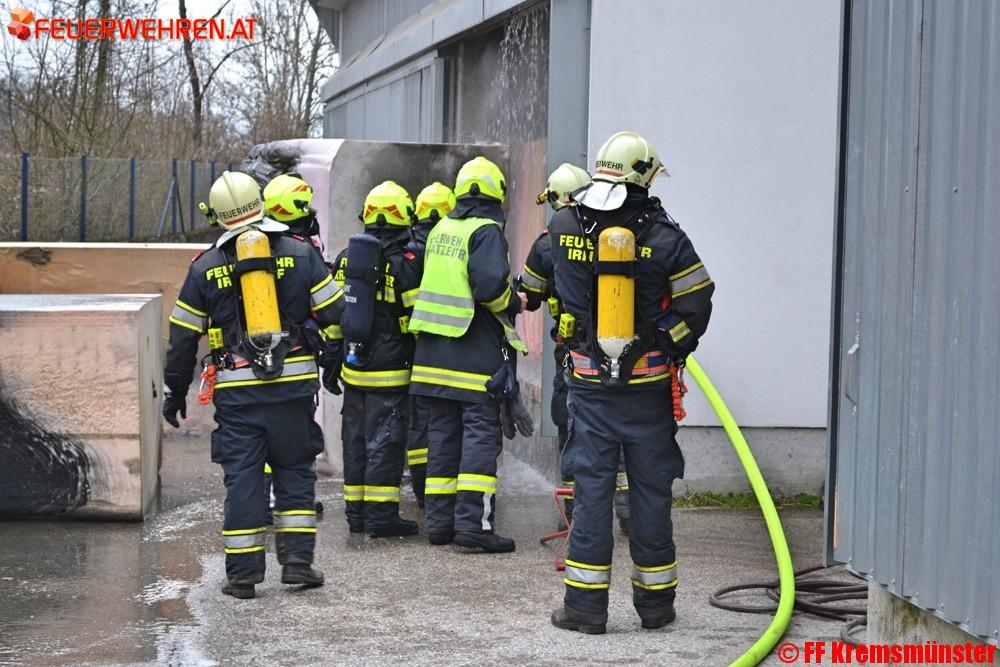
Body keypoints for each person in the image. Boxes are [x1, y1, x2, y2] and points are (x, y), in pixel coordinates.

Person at [547, 132, 714, 633]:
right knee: (650, 493)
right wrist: (668, 342)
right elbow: (699, 300)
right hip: (646, 391)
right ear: (643, 173)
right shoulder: (664, 235)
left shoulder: (562, 223)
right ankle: (656, 607)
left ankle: (583, 608)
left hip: (589, 387)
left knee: (593, 491)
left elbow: (547, 283)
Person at [163, 171, 343, 599]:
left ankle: (243, 576)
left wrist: (174, 391)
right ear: (260, 203)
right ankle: (297, 563)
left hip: (239, 396)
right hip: (294, 389)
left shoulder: (205, 267)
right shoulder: (300, 254)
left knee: (243, 478)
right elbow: (336, 311)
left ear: (217, 216)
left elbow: (183, 337)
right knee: (296, 471)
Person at [408, 156, 526, 553]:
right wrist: (517, 301)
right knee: (480, 435)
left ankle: (440, 525)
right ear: (496, 195)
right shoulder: (486, 231)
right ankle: (473, 525)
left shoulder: (442, 226)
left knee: (442, 436)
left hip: (431, 356)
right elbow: (491, 288)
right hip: (471, 355)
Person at [519, 163, 631, 532]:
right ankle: (631, 514)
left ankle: (578, 516)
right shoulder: (619, 231)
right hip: (624, 349)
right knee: (622, 427)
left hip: (576, 351)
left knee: (571, 421)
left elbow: (529, 294)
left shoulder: (550, 240)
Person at [330, 180, 422, 538]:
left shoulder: (345, 259)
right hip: (391, 372)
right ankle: (381, 517)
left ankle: (356, 514)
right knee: (385, 442)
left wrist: (334, 362)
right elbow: (417, 321)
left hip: (354, 369)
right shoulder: (408, 263)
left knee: (354, 442)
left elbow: (337, 316)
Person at [262, 172, 334, 519]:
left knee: (257, 436)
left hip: (249, 363)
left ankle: (263, 498)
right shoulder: (303, 252)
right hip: (295, 363)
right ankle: (291, 498)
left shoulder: (247, 248)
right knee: (295, 437)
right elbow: (330, 309)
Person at [404, 182, 457, 508]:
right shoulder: (450, 247)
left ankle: (422, 488)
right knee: (439, 421)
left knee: (418, 423)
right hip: (444, 348)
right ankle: (433, 489)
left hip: (408, 350)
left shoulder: (410, 249)